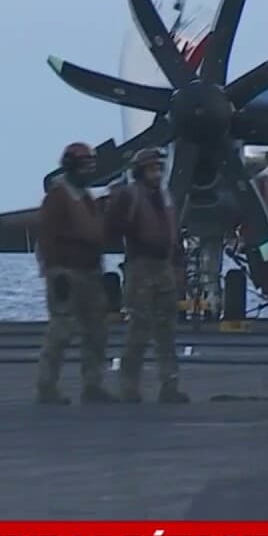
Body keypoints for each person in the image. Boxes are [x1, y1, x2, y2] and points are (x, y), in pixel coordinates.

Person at [33, 141, 116, 405]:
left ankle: (93, 385)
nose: (90, 169)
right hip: (67, 273)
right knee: (61, 332)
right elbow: (46, 237)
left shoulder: (86, 197)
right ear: (71, 166)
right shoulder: (58, 197)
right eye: (85, 164)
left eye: (91, 164)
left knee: (97, 332)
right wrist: (54, 272)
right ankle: (46, 386)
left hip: (90, 272)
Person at [107, 147, 190, 404]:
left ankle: (170, 385)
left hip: (164, 266)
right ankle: (129, 386)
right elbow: (112, 227)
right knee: (139, 330)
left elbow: (173, 232)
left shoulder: (165, 196)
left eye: (159, 168)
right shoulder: (129, 195)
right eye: (152, 169)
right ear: (140, 171)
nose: (157, 173)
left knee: (167, 330)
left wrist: (177, 264)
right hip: (140, 267)